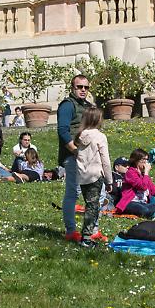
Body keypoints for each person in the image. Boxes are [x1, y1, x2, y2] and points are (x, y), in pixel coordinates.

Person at [57, 74, 96, 240]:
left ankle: (93, 230)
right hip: (73, 156)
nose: (83, 90)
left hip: (90, 157)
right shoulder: (67, 106)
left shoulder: (88, 106)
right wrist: (75, 151)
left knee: (94, 194)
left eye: (86, 87)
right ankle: (70, 230)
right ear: (72, 88)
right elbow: (63, 131)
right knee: (73, 193)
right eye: (79, 87)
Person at [74, 107, 112, 245]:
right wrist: (109, 180)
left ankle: (86, 236)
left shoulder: (79, 136)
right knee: (93, 207)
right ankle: (87, 237)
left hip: (82, 175)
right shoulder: (100, 137)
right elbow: (105, 160)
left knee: (89, 204)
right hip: (95, 175)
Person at [116, 148, 155, 219]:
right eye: (144, 160)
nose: (146, 162)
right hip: (130, 203)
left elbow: (154, 190)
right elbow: (142, 186)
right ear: (136, 161)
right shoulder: (130, 173)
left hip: (144, 204)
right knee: (144, 210)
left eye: (147, 160)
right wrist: (146, 172)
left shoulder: (144, 175)